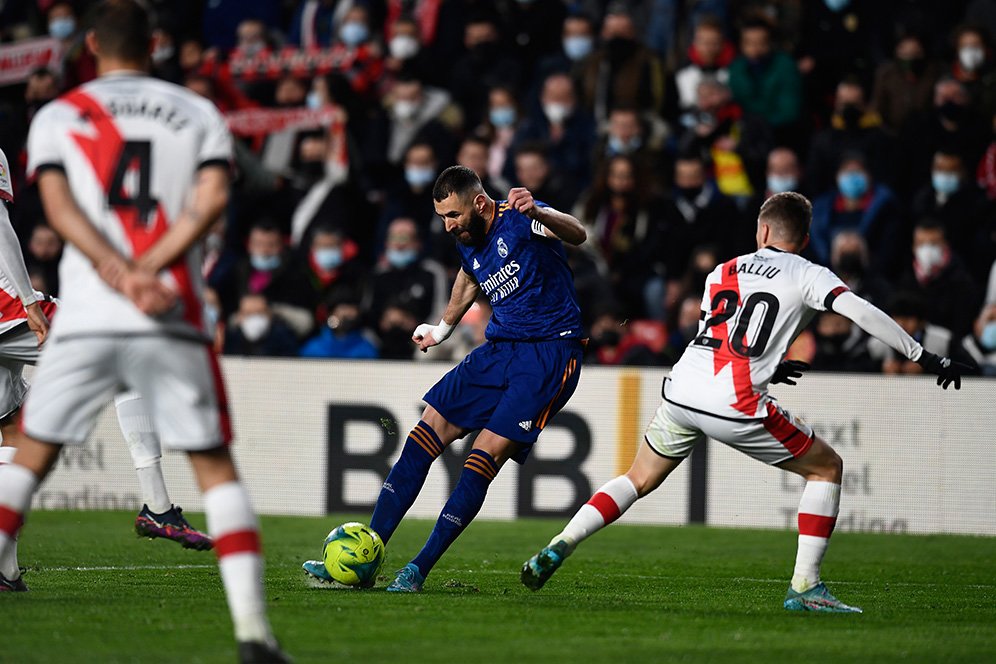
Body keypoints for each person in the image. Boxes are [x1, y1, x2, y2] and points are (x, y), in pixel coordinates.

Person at [0, 3, 287, 662]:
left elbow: (58, 209)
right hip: (165, 307)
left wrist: (112, 271)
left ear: (91, 44)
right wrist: (145, 270)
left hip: (93, 307)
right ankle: (253, 635)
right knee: (217, 469)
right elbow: (213, 200)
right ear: (156, 45)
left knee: (29, 452)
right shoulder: (195, 112)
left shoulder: (57, 116)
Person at [520, 192, 968, 613]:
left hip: (682, 388)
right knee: (826, 467)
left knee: (636, 478)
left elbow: (715, 338)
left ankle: (561, 542)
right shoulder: (809, 273)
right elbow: (863, 313)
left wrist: (770, 367)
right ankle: (806, 587)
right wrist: (923, 355)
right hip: (733, 403)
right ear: (805, 239)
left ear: (762, 232)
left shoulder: (723, 270)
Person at [301, 166, 587, 591]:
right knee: (425, 431)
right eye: (441, 218)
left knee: (482, 457)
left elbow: (577, 233)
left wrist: (543, 214)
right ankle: (368, 553)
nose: (448, 225)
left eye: (452, 215)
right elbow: (469, 276)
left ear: (479, 202)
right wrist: (443, 329)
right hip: (498, 351)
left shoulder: (521, 216)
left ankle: (418, 569)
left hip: (549, 355)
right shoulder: (469, 241)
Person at [0, 148, 212, 579]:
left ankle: (6, 570)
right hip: (6, 308)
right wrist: (28, 301)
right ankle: (157, 506)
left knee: (7, 429)